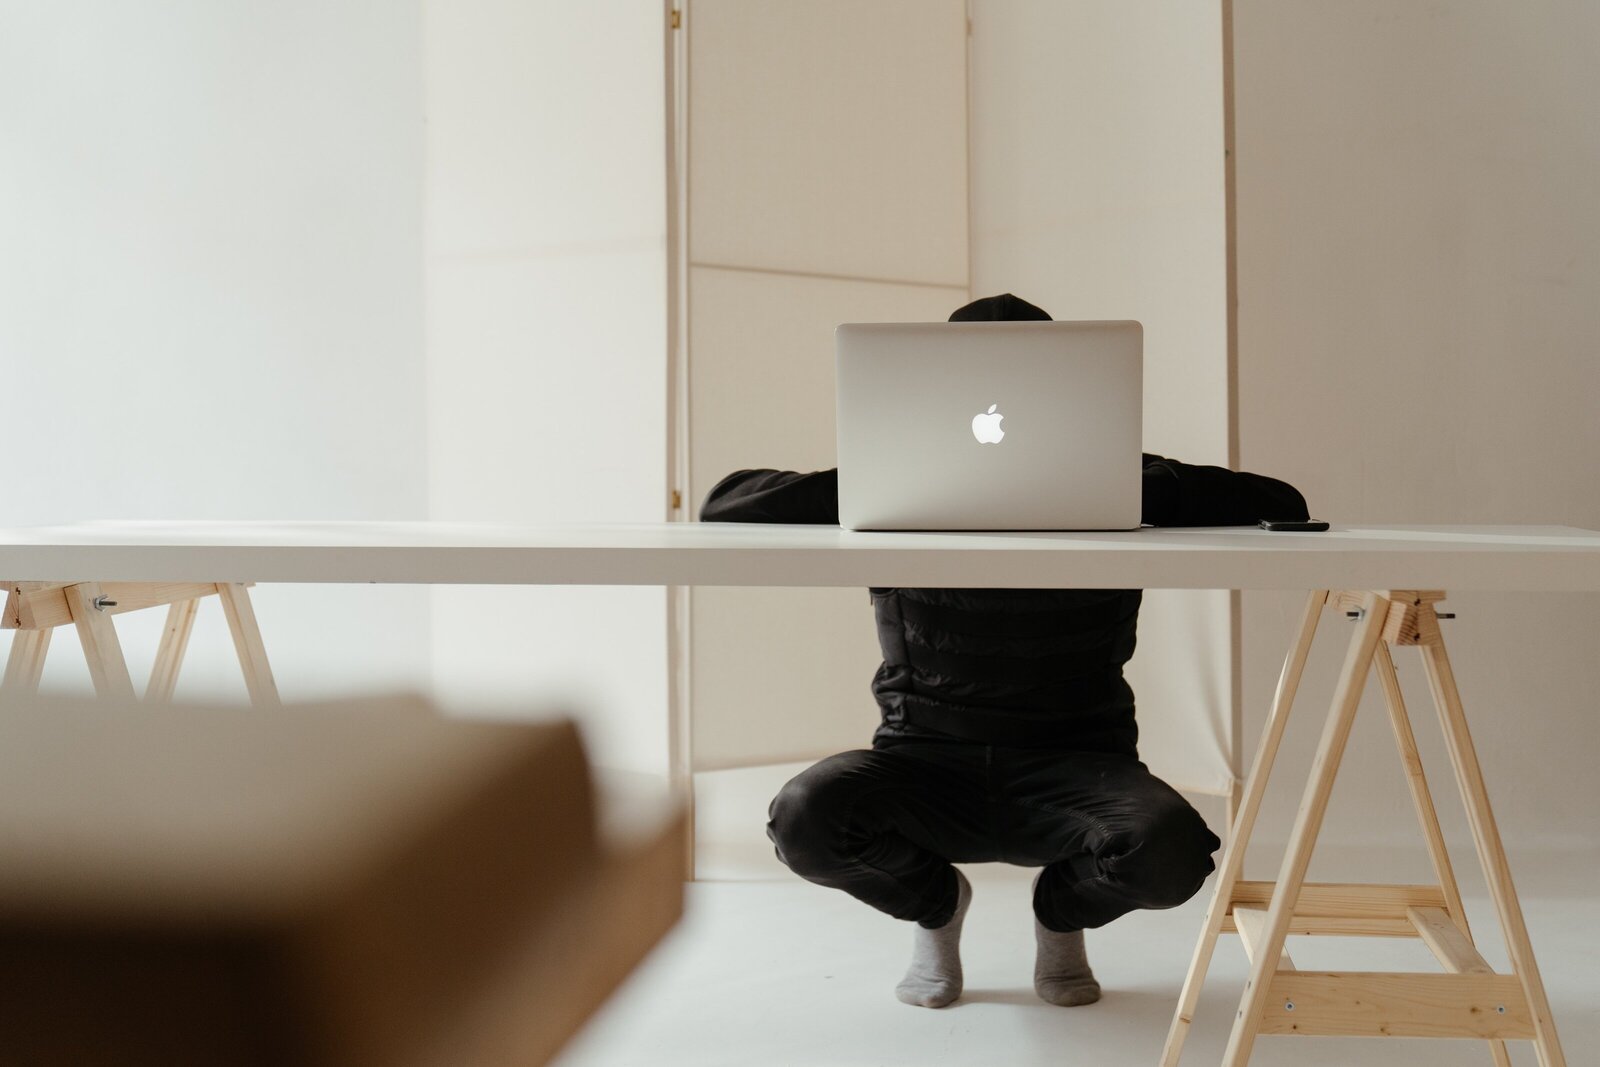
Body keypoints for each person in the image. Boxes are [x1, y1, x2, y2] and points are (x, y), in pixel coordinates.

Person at [700, 293, 1310, 1009]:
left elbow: (1284, 501)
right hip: (923, 759)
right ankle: (936, 905)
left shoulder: (1122, 481)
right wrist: (880, 473)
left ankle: (1059, 916)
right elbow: (725, 502)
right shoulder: (895, 482)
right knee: (804, 817)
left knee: (1173, 852)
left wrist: (1124, 481)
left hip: (1078, 763)